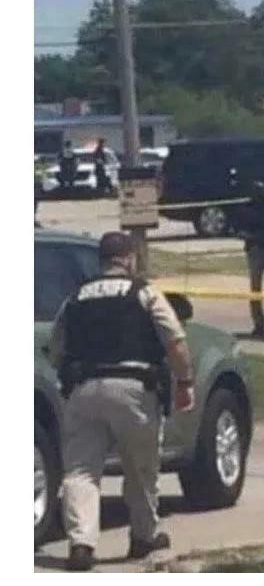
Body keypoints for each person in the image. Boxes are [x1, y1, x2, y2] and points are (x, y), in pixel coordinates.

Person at [48, 232, 195, 571]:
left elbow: (56, 349)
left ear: (102, 260)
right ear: (128, 258)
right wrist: (185, 380)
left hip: (84, 388)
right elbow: (174, 339)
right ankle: (143, 536)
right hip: (134, 387)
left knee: (81, 471)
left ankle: (82, 544)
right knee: (140, 468)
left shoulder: (76, 296)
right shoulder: (143, 291)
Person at [241, 181, 264, 336]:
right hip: (255, 250)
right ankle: (259, 323)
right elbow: (242, 230)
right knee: (255, 289)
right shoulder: (247, 210)